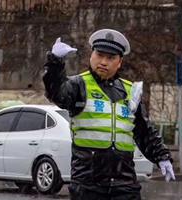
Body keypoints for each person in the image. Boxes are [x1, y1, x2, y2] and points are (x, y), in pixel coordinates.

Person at [43, 29, 175, 200]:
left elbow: (143, 131)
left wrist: (161, 156)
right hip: (88, 184)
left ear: (119, 62)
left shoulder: (131, 91)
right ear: (92, 55)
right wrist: (55, 63)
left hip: (125, 184)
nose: (103, 62)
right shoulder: (78, 85)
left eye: (110, 58)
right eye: (99, 55)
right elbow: (56, 93)